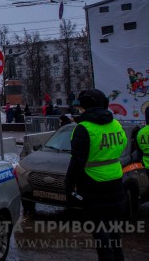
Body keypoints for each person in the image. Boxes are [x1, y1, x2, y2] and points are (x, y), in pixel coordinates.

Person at [65, 88, 127, 261]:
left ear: (85, 107)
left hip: (93, 185)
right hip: (115, 180)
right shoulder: (115, 124)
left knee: (100, 233)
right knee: (114, 230)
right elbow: (122, 145)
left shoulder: (83, 128)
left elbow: (76, 162)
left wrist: (69, 188)